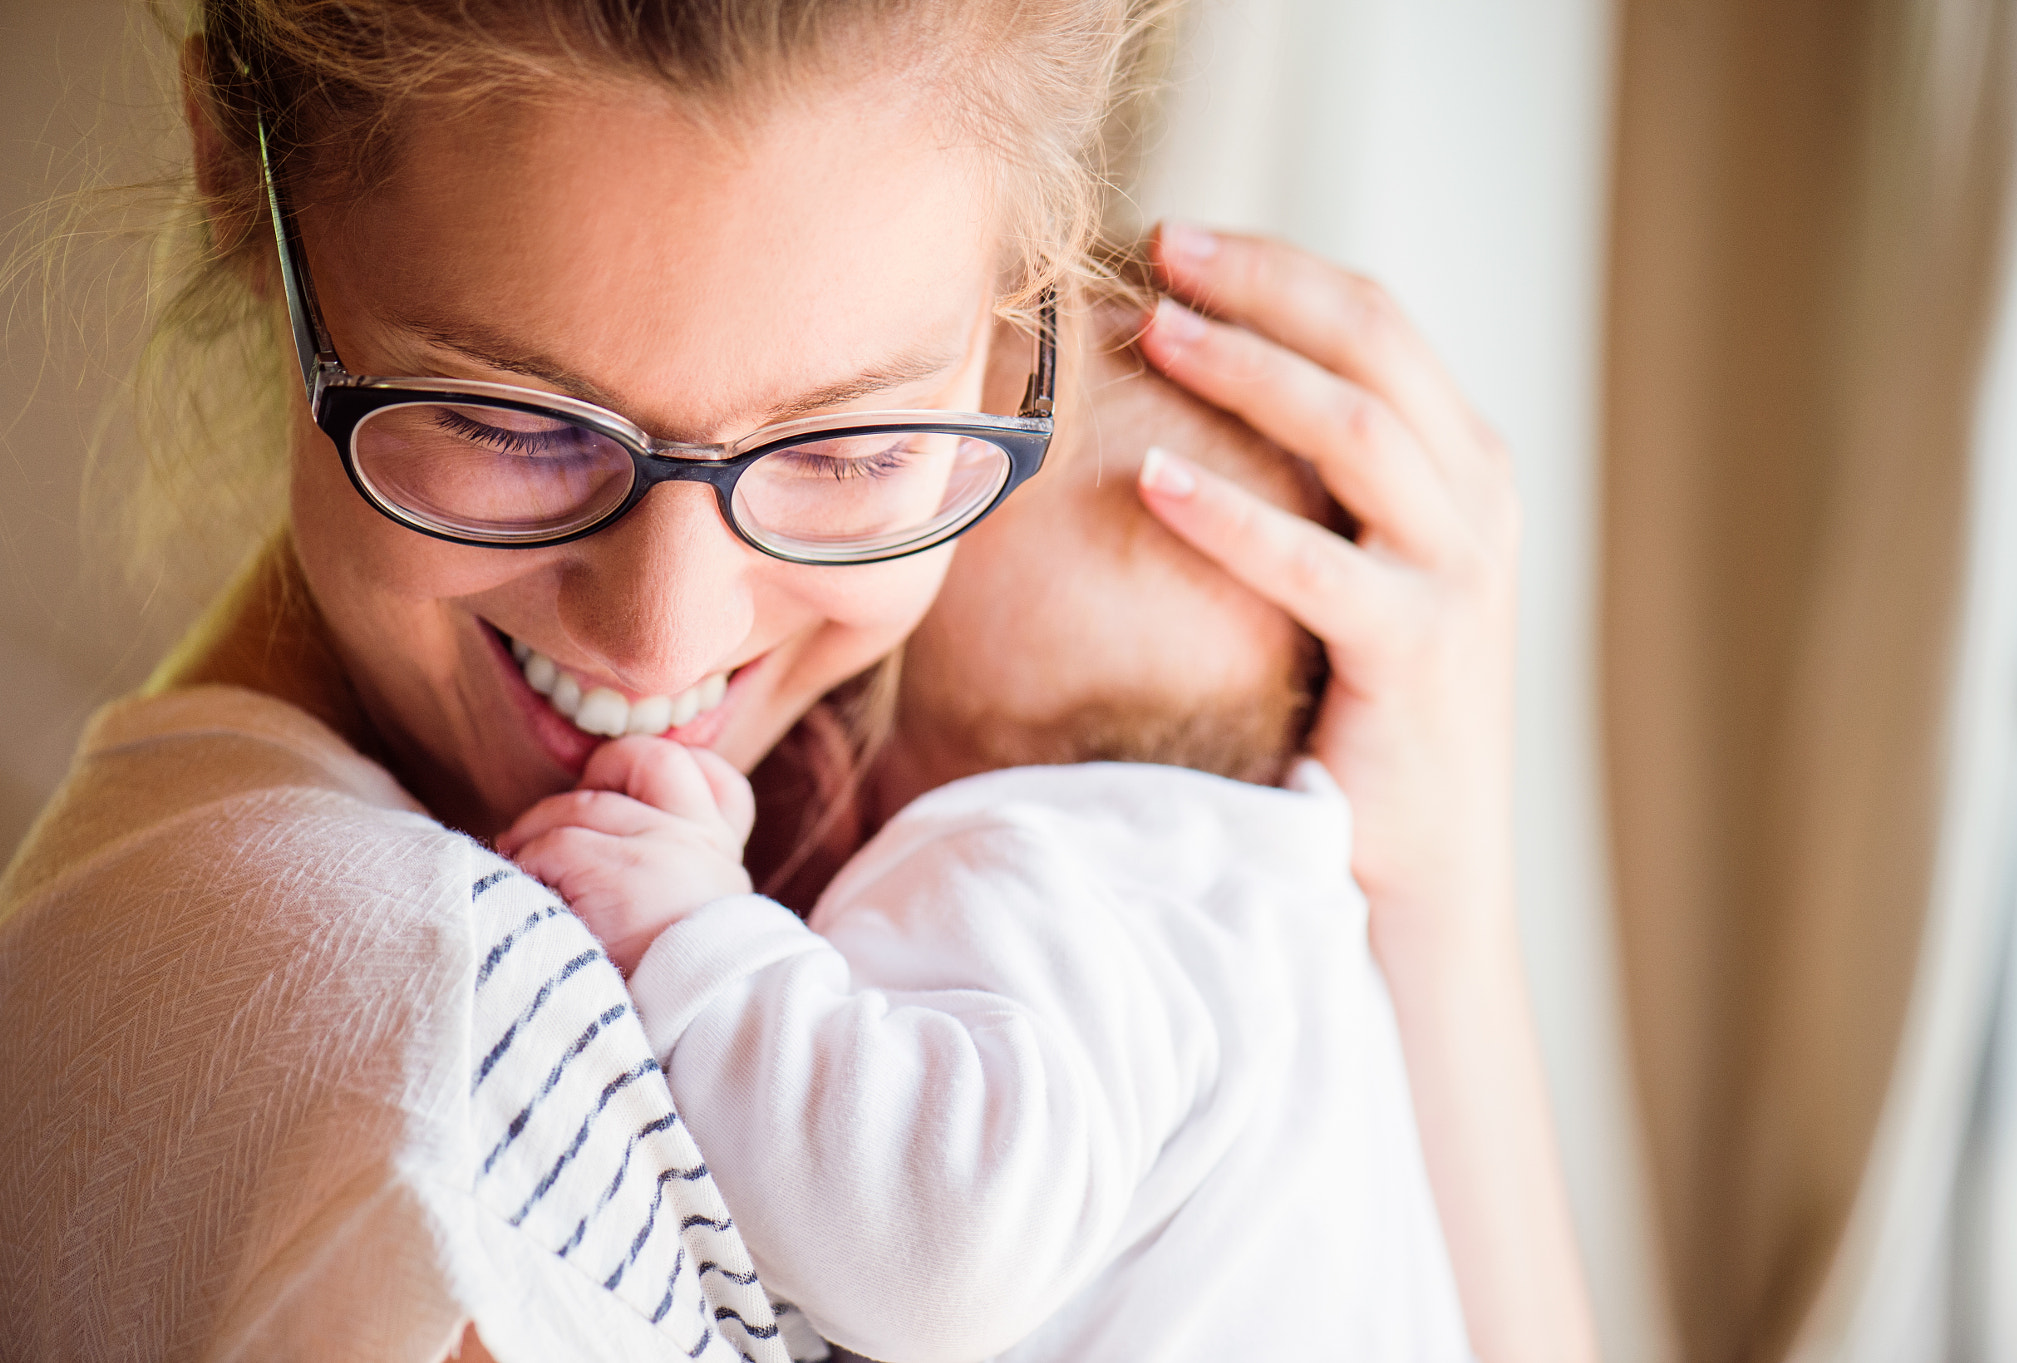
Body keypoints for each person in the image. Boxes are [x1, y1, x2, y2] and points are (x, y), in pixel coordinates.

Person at [0, 1, 1596, 1360]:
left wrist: (1434, 881)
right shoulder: (425, 1047)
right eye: (510, 421)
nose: (663, 641)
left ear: (1019, 313)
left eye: (850, 447)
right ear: (240, 167)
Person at [498, 323, 1473, 1361]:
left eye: (866, 465)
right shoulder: (1284, 915)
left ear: (863, 759)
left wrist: (695, 944)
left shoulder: (1034, 863)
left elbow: (935, 1257)